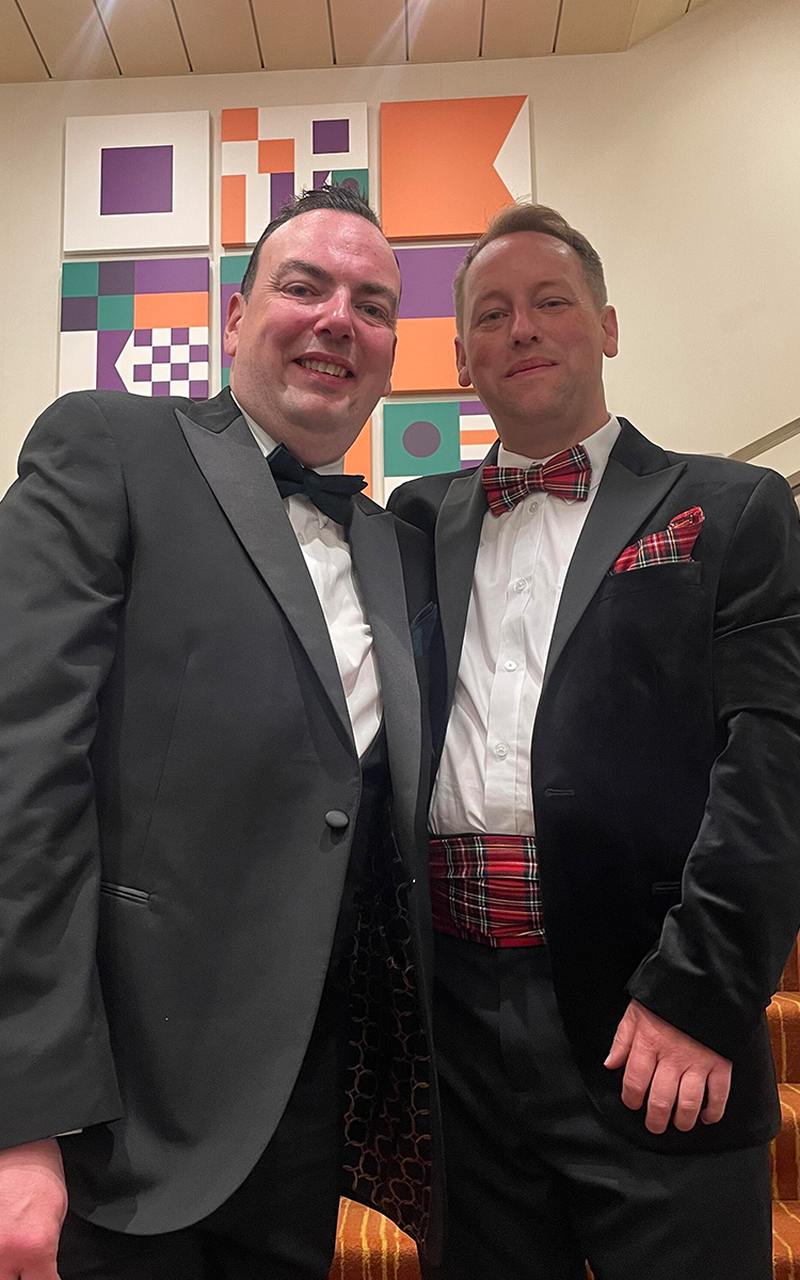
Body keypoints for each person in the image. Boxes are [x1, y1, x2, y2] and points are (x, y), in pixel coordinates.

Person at [0, 185, 440, 1280]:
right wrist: (20, 1115)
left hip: (301, 1116)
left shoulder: (395, 544)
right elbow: (20, 774)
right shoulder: (109, 441)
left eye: (372, 303)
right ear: (234, 320)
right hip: (112, 1113)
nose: (339, 316)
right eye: (305, 285)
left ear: (388, 352)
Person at [390, 201, 800, 1280]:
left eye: (548, 301)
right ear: (461, 358)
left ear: (605, 326)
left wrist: (698, 993)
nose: (520, 327)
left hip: (652, 1014)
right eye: (490, 313)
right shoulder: (412, 518)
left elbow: (773, 763)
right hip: (456, 1033)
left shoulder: (730, 505)